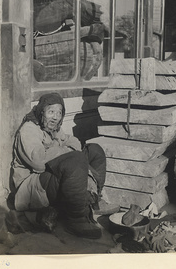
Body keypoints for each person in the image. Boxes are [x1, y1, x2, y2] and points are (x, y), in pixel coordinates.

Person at [7, 92, 119, 239]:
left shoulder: (54, 128)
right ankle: (76, 219)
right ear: (42, 112)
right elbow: (39, 162)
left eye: (59, 113)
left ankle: (93, 199)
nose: (55, 117)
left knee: (94, 150)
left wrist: (62, 150)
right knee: (74, 160)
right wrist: (63, 151)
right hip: (30, 186)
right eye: (51, 112)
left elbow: (73, 142)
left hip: (47, 178)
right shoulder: (29, 130)